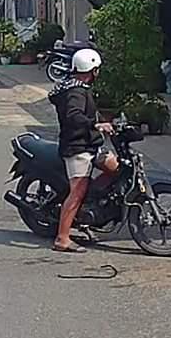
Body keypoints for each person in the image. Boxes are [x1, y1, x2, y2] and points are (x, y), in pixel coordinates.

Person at [48, 49, 119, 253]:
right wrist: (95, 125)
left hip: (92, 145)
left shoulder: (80, 88)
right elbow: (73, 116)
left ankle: (91, 201)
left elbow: (90, 114)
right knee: (77, 192)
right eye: (97, 69)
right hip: (77, 147)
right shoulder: (75, 92)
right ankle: (62, 238)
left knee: (117, 169)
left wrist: (109, 122)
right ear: (92, 70)